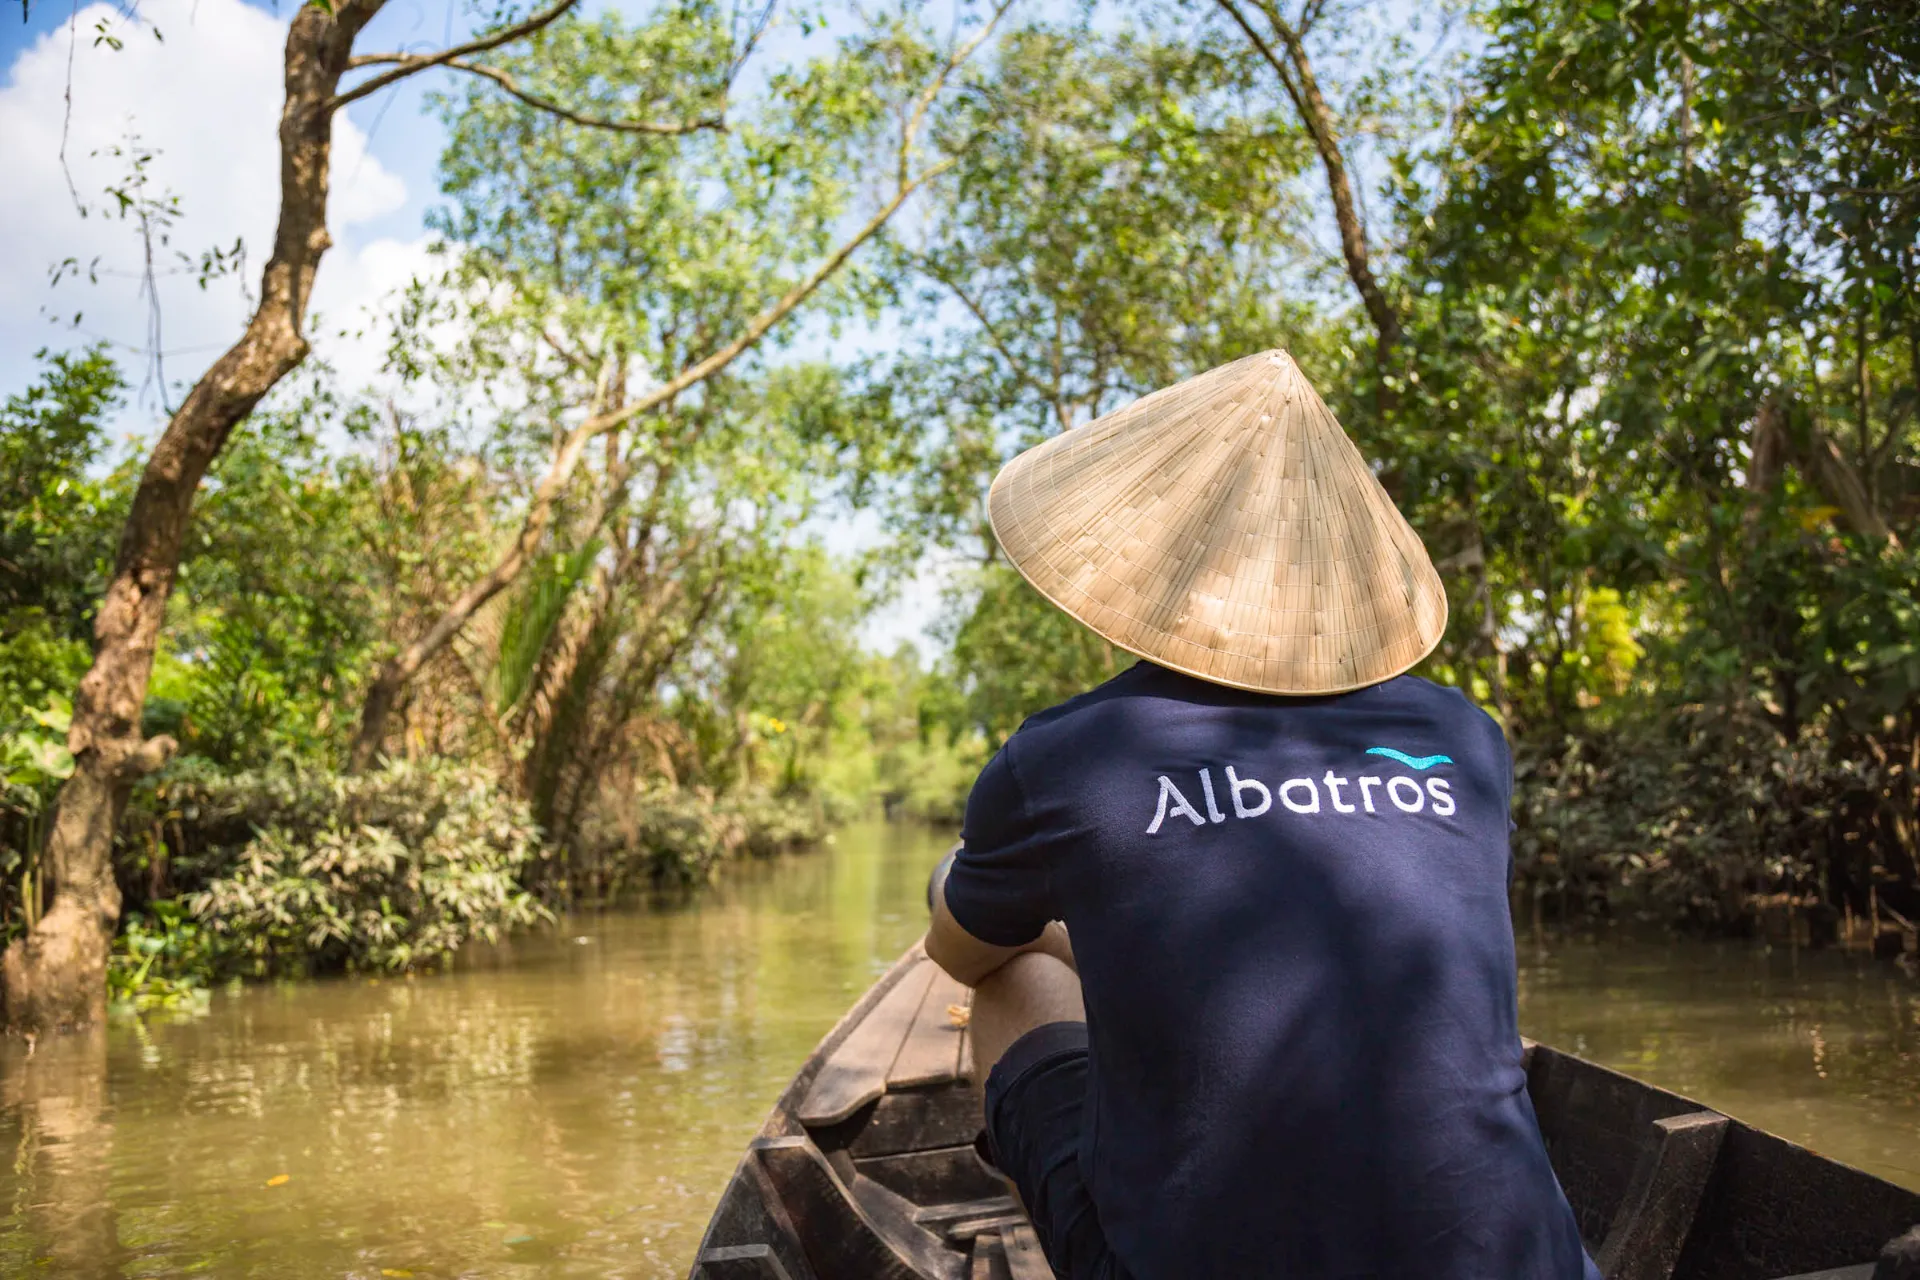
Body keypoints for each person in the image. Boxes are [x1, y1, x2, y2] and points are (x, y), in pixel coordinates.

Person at [921, 351, 1600, 1280]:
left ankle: (1069, 1206)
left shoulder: (1066, 757)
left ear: (1139, 564)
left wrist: (1022, 929)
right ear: (1339, 578)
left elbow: (958, 956)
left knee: (1008, 980)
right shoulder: (1466, 736)